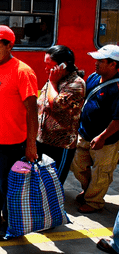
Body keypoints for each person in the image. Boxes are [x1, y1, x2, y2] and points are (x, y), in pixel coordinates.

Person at [0, 25, 39, 241]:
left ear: (10, 45)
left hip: (13, 144)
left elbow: (32, 111)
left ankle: (11, 227)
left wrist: (31, 145)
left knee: (9, 189)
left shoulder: (23, 72)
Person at [70, 45, 119, 213]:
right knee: (77, 164)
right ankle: (89, 190)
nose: (96, 63)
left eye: (101, 61)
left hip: (106, 139)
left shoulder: (117, 87)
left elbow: (117, 119)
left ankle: (94, 201)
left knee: (101, 172)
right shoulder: (93, 78)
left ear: (114, 65)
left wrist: (103, 137)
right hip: (84, 133)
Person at [36, 45, 86, 184]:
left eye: (49, 65)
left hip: (60, 145)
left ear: (63, 66)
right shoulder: (56, 79)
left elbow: (56, 105)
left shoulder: (75, 84)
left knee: (54, 185)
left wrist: (52, 82)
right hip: (42, 140)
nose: (46, 69)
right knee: (40, 182)